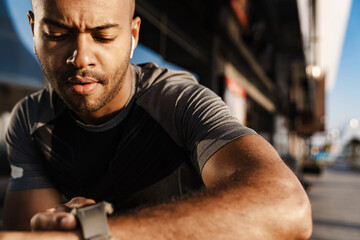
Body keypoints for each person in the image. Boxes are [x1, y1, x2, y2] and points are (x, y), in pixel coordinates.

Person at [2, 0, 312, 239]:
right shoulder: (31, 118)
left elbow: (290, 209)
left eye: (104, 36)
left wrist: (96, 230)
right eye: (57, 34)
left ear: (133, 35)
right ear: (33, 29)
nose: (81, 57)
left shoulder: (179, 101)